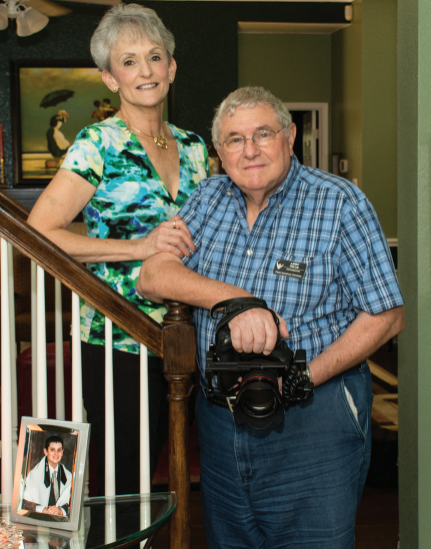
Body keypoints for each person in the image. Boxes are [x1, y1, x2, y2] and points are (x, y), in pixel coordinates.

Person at [137, 87, 405, 548]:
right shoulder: (207, 198)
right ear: (219, 152)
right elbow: (153, 275)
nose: (250, 150)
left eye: (263, 133)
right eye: (235, 139)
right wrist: (238, 301)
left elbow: (387, 315)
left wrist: (301, 378)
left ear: (290, 136)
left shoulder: (339, 203)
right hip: (221, 424)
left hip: (313, 419)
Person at [27, 3, 209, 496]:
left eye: (154, 56)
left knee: (174, 471)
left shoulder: (194, 148)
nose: (145, 70)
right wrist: (137, 247)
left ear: (171, 67)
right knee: (122, 477)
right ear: (110, 79)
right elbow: (40, 230)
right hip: (118, 337)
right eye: (128, 61)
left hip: (184, 334)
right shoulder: (97, 144)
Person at [21, 435, 73, 518]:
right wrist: (43, 510)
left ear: (62, 452)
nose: (56, 453)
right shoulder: (34, 475)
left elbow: (73, 502)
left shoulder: (69, 476)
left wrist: (60, 510)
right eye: (52, 450)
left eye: (59, 450)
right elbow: (24, 503)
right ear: (45, 451)